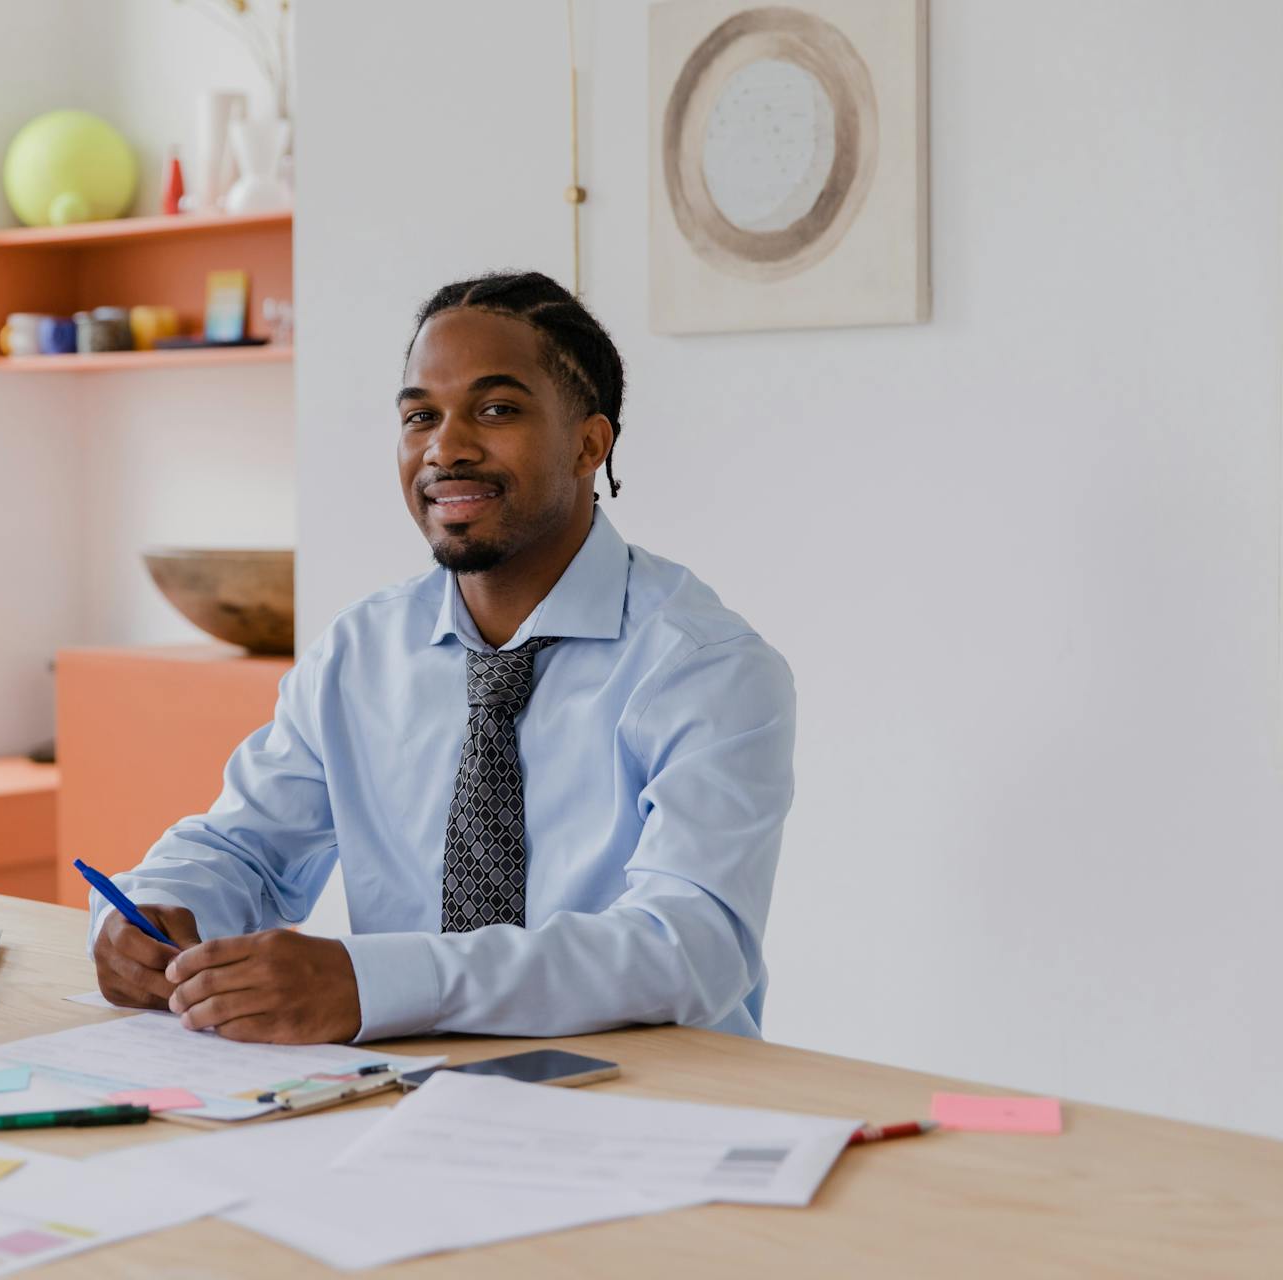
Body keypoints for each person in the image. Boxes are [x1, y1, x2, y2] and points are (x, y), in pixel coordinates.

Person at [90, 270, 796, 1045]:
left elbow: (690, 947)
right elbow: (242, 847)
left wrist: (374, 984)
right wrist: (156, 909)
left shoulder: (707, 667)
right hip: (404, 1096)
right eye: (420, 416)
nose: (446, 448)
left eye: (496, 410)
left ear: (590, 444)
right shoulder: (360, 654)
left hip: (648, 1107)